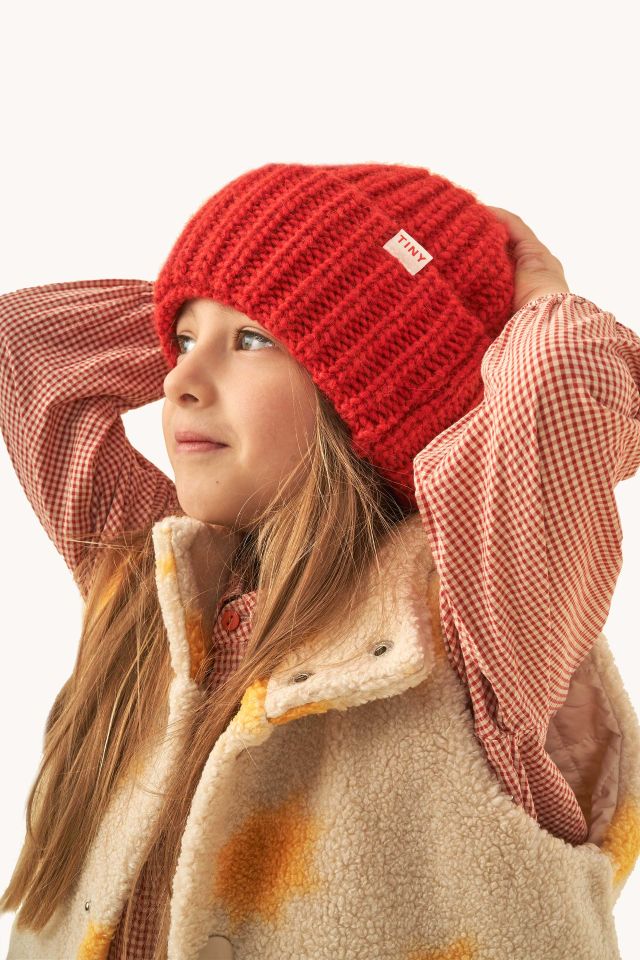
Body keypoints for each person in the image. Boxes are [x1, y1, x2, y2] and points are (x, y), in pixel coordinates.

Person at [1, 162, 640, 960]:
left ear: (366, 387)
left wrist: (475, 327)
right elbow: (24, 348)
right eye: (183, 340)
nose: (178, 382)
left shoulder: (475, 618)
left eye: (251, 341)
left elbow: (566, 386)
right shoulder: (153, 583)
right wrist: (257, 294)